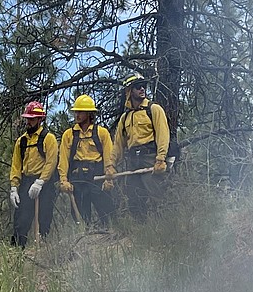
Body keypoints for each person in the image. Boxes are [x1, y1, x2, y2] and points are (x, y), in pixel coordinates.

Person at [112, 73, 170, 220]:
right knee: (134, 199)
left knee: (157, 196)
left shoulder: (154, 109)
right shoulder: (124, 119)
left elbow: (163, 135)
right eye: (138, 86)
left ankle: (166, 229)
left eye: (144, 85)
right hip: (133, 161)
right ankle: (141, 232)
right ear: (129, 91)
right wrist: (111, 166)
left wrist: (160, 159)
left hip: (150, 158)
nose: (142, 89)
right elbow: (118, 145)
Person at [59, 95, 115, 227]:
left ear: (89, 114)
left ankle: (110, 232)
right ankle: (85, 238)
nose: (77, 115)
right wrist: (64, 180)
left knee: (105, 208)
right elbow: (63, 158)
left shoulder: (102, 133)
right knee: (80, 214)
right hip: (77, 177)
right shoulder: (69, 134)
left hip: (97, 175)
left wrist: (109, 178)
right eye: (76, 112)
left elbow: (109, 157)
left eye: (80, 112)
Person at [9, 100, 58, 247]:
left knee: (44, 217)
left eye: (32, 119)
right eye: (27, 119)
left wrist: (41, 182)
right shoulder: (21, 141)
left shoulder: (48, 138)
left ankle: (44, 247)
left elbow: (51, 162)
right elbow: (16, 165)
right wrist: (14, 187)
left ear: (39, 119)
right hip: (26, 182)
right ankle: (18, 250)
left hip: (44, 184)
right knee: (21, 220)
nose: (28, 122)